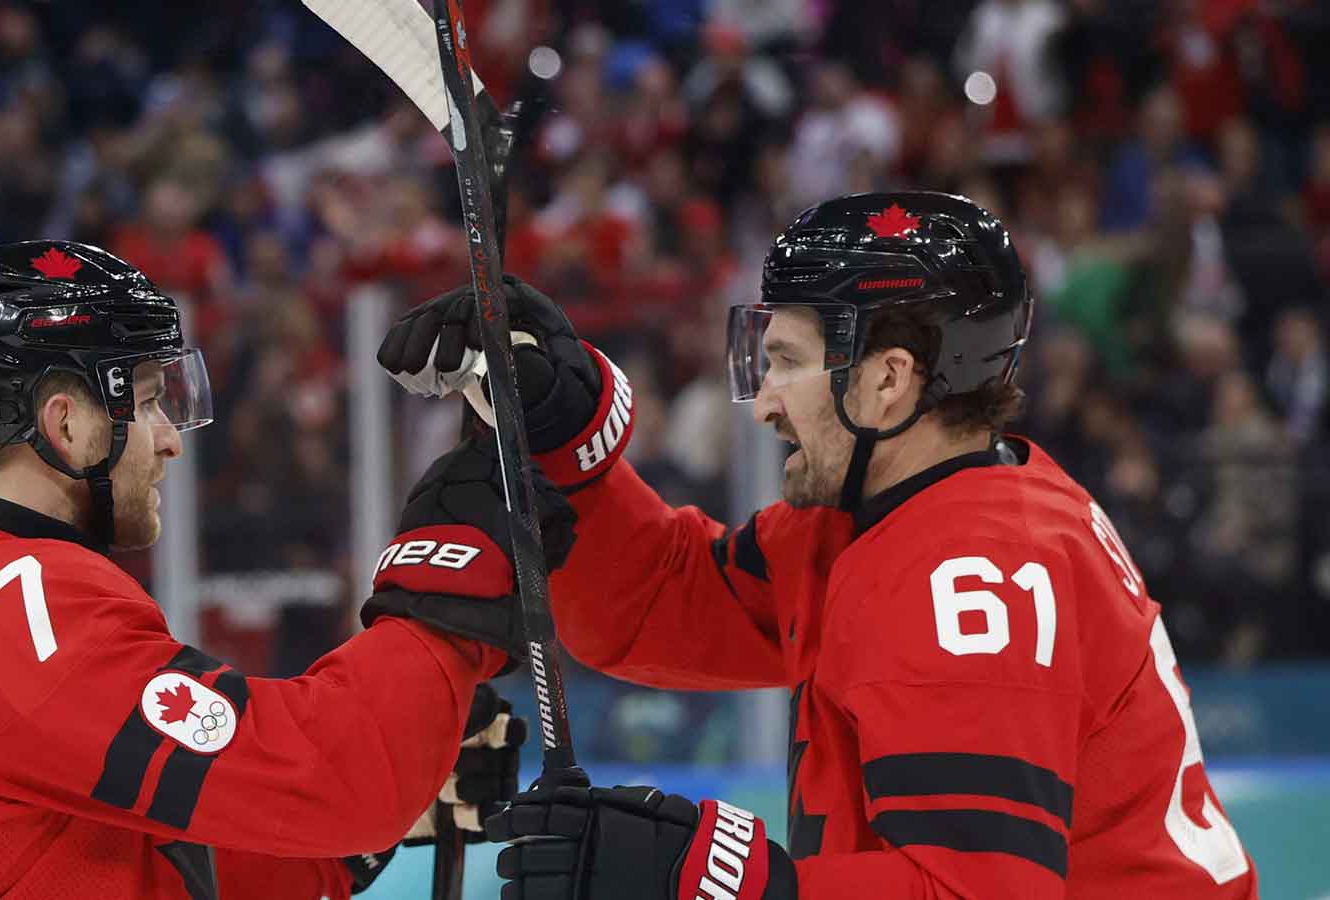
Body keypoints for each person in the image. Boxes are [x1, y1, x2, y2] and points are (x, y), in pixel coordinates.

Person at [378, 192, 1258, 899]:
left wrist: (705, 875)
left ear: (889, 379)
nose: (764, 402)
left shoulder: (972, 572)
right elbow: (661, 607)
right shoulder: (883, 517)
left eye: (790, 362)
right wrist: (569, 435)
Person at [0, 241, 555, 899]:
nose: (171, 440)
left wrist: (356, 844)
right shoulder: (22, 611)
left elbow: (138, 863)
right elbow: (337, 779)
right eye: (148, 402)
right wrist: (449, 578)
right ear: (66, 425)